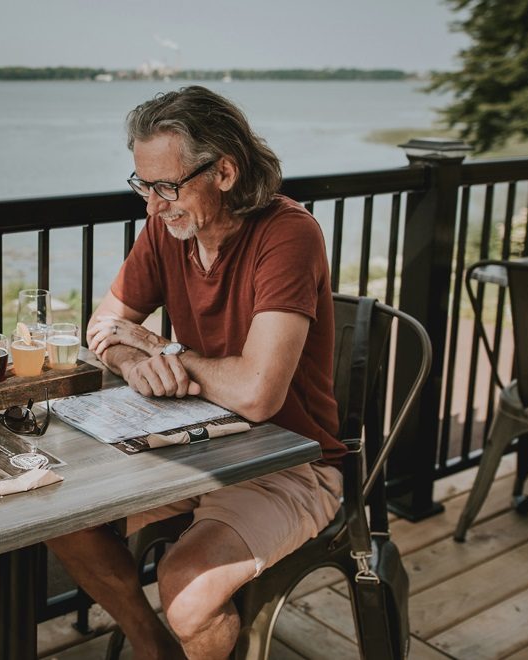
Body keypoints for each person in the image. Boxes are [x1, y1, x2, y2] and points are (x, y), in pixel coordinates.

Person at [47, 87, 344, 660]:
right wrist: (137, 364)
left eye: (166, 186)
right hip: (188, 446)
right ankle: (153, 648)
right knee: (53, 515)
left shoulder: (288, 234)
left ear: (226, 171)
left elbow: (258, 395)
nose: (153, 206)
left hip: (290, 462)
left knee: (185, 592)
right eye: (143, 186)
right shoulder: (169, 228)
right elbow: (103, 326)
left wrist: (165, 350)